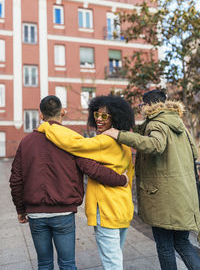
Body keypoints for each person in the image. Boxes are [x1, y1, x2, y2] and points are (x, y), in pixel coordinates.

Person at [9, 95, 130, 270]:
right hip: (63, 212)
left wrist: (21, 210)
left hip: (35, 214)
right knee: (67, 264)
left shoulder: (26, 142)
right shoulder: (71, 141)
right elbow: (92, 168)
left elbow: (15, 179)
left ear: (40, 115)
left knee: (43, 263)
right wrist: (121, 179)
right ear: (63, 112)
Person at [103, 89, 200, 270]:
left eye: (141, 105)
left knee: (164, 246)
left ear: (148, 106)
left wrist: (119, 135)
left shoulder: (156, 124)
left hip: (163, 199)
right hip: (183, 196)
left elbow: (155, 145)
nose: (140, 108)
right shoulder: (178, 124)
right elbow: (194, 153)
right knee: (182, 243)